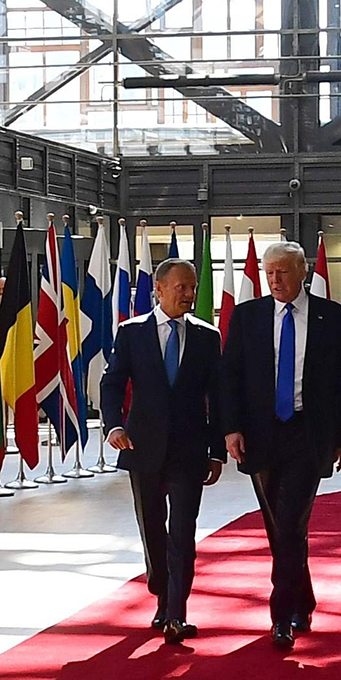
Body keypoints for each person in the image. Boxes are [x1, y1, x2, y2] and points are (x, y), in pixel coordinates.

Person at [218, 239, 341, 648]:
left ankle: (281, 617)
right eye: (269, 273)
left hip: (307, 432)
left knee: (291, 520)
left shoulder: (332, 317)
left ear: (303, 274)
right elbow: (230, 378)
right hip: (260, 434)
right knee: (281, 527)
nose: (275, 280)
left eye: (282, 272)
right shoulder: (248, 317)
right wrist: (230, 429)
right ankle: (304, 599)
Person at [99, 258, 224, 644]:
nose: (189, 294)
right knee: (153, 528)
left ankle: (176, 612)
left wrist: (216, 450)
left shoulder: (208, 336)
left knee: (183, 532)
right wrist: (113, 425)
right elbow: (112, 383)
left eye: (193, 287)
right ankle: (161, 590)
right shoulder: (131, 333)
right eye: (181, 287)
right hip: (143, 447)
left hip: (190, 450)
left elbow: (217, 397)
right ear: (159, 288)